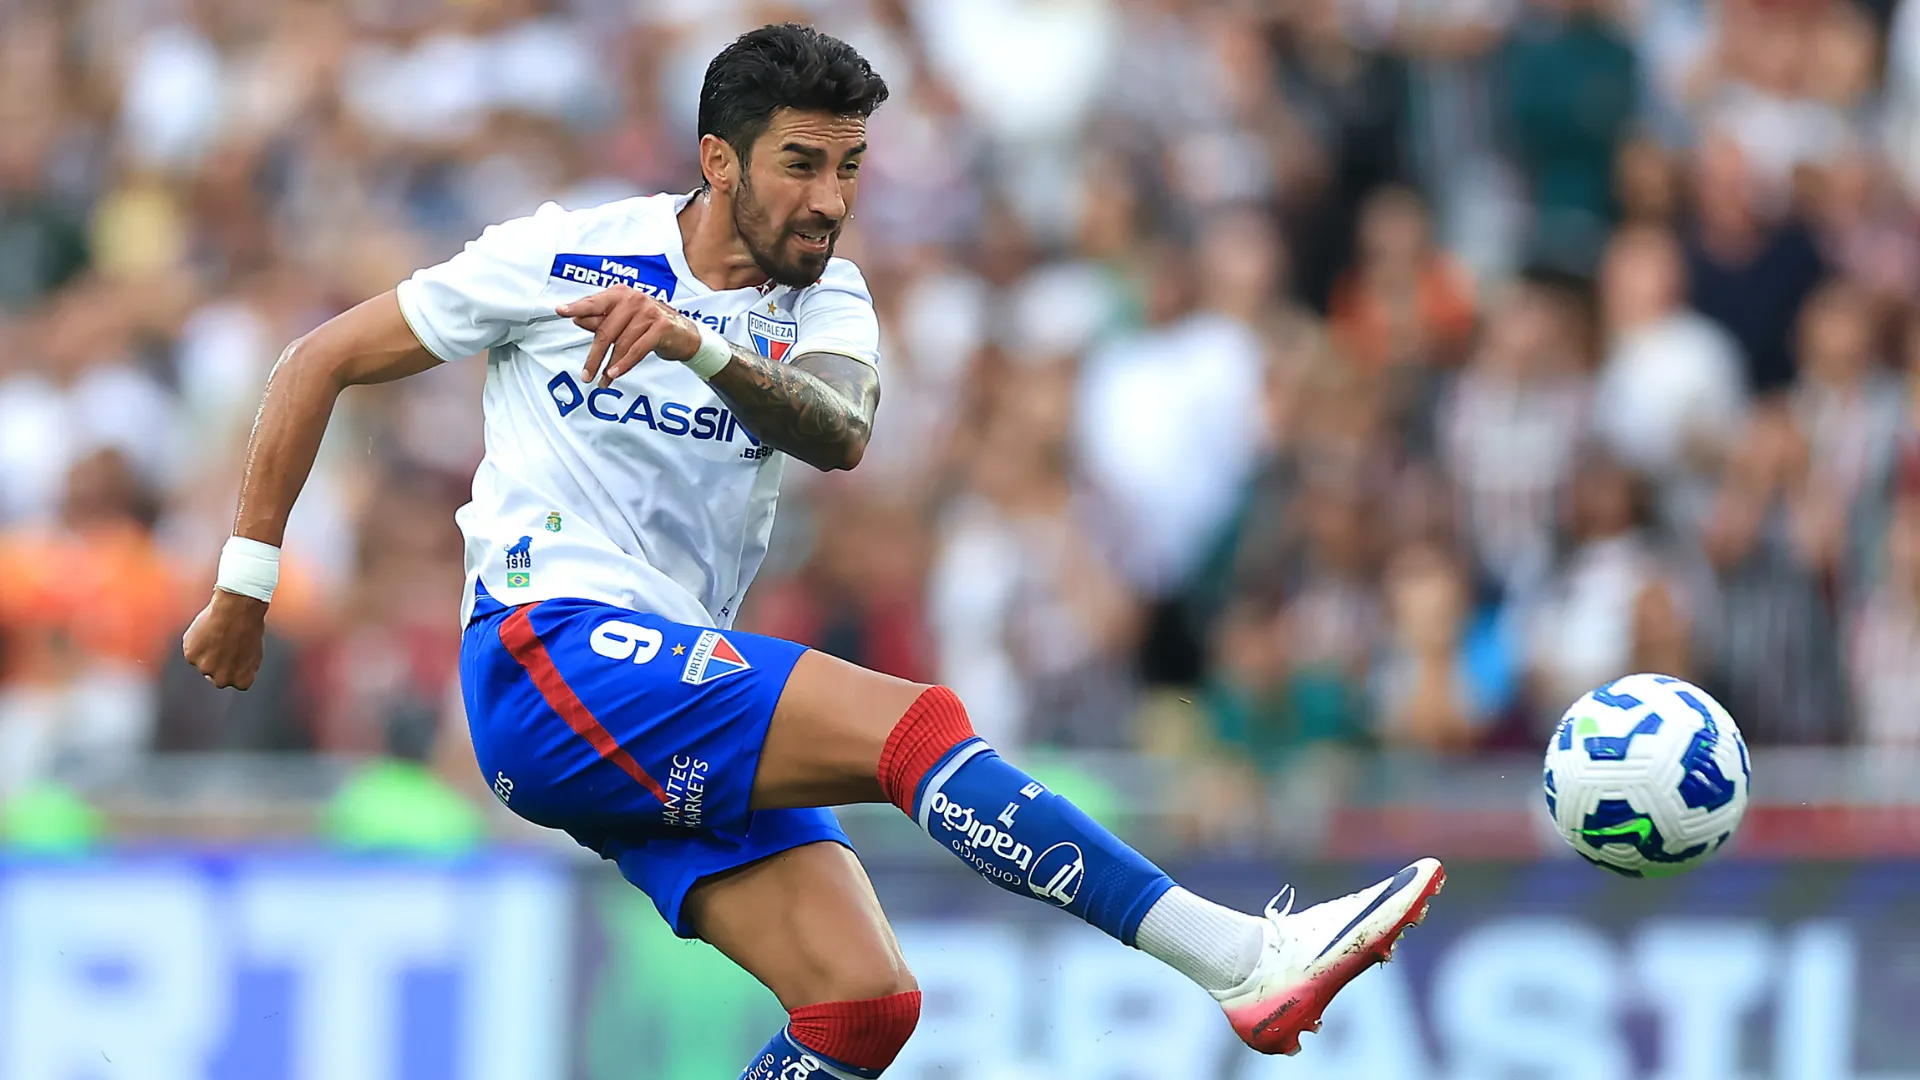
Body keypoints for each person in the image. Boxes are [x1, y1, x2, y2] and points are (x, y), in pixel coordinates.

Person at [181, 24, 1443, 1074]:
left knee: (861, 1010)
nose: (831, 200)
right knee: (912, 729)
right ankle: (1240, 962)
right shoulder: (557, 253)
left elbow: (839, 432)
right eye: (801, 164)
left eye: (849, 167)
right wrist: (247, 581)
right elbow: (319, 360)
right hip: (543, 652)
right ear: (718, 162)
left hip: (658, 681)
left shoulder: (825, 303)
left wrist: (697, 345)